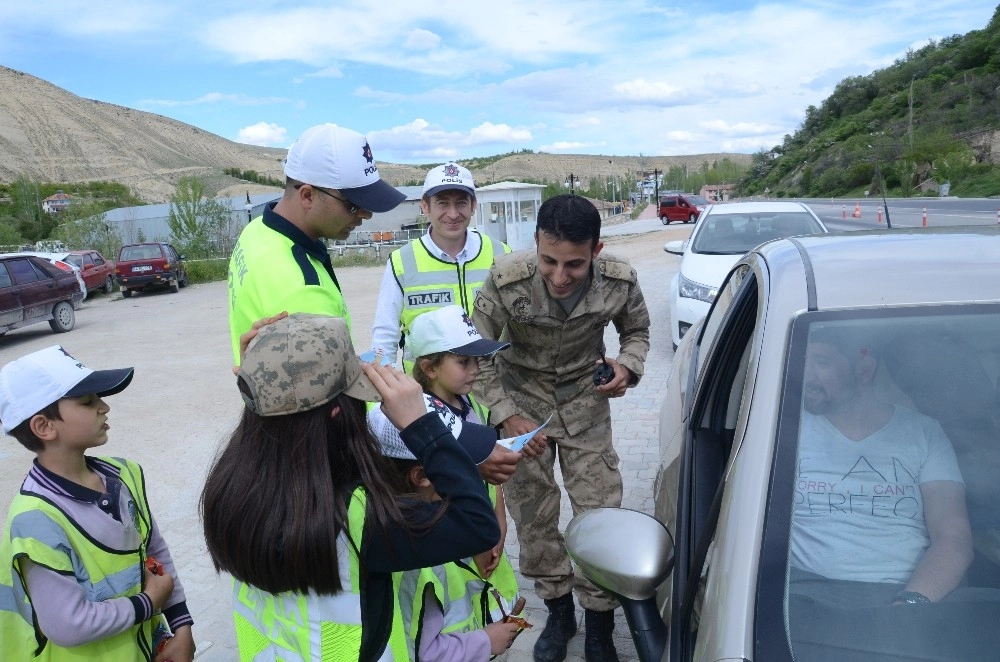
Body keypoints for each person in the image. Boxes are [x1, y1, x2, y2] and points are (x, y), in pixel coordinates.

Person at [201, 313, 501, 661]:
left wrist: (264, 373)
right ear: (337, 415)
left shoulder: (231, 487)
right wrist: (421, 424)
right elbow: (479, 525)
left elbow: (284, 420)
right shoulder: (359, 519)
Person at [471, 194, 651, 662]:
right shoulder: (506, 280)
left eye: (574, 264)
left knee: (599, 514)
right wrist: (504, 413)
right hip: (521, 407)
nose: (558, 276)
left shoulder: (618, 280)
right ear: (535, 244)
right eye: (548, 260)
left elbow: (637, 333)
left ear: (596, 249)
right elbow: (476, 353)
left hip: (584, 405)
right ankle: (558, 611)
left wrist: (626, 368)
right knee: (534, 514)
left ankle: (598, 623)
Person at [0, 346, 195, 661]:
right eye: (88, 402)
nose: (104, 407)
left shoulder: (125, 475)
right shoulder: (36, 519)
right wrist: (148, 603)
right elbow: (68, 624)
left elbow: (157, 555)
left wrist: (181, 625)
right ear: (44, 427)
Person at [368, 305, 522, 659]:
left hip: (480, 548)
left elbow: (490, 480)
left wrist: (497, 526)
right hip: (453, 551)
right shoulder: (408, 429)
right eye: (463, 361)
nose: (475, 370)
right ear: (429, 367)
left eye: (477, 361)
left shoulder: (474, 410)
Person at [790, 327, 974, 606]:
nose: (806, 375)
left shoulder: (924, 434)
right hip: (804, 597)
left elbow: (953, 539)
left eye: (822, 362)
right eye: (802, 362)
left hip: (908, 596)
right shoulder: (784, 429)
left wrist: (910, 605)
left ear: (864, 370)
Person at [371, 161, 516, 485]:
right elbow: (384, 333)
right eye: (442, 203)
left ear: (473, 205)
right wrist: (383, 398)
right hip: (430, 407)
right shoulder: (402, 261)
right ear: (425, 206)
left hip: (492, 400)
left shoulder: (500, 254)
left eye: (461, 202)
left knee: (492, 496)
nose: (453, 213)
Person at [228, 123, 405, 363]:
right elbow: (325, 396)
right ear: (308, 195)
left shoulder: (257, 230)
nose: (366, 215)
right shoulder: (303, 290)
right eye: (353, 204)